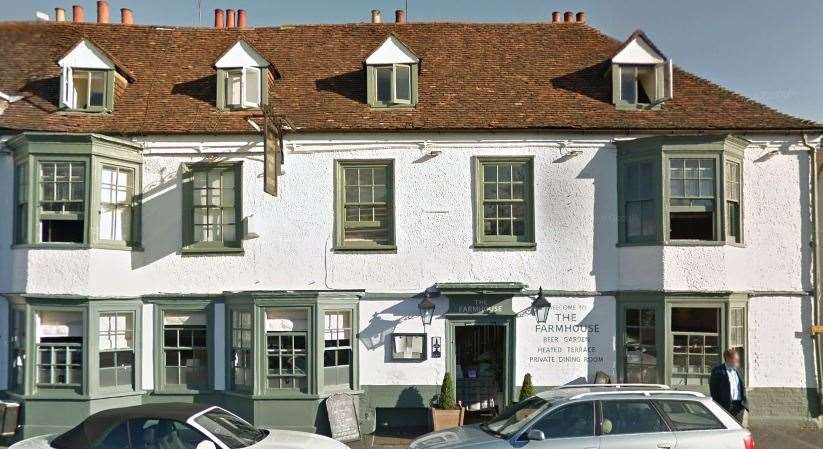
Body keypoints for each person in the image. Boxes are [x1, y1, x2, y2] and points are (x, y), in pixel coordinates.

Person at [709, 348, 748, 425]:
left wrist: (745, 404)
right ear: (728, 359)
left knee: (739, 428)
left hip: (739, 406)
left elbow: (742, 387)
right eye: (735, 359)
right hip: (725, 406)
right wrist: (718, 406)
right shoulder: (717, 371)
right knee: (727, 427)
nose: (738, 361)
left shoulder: (739, 370)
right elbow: (714, 391)